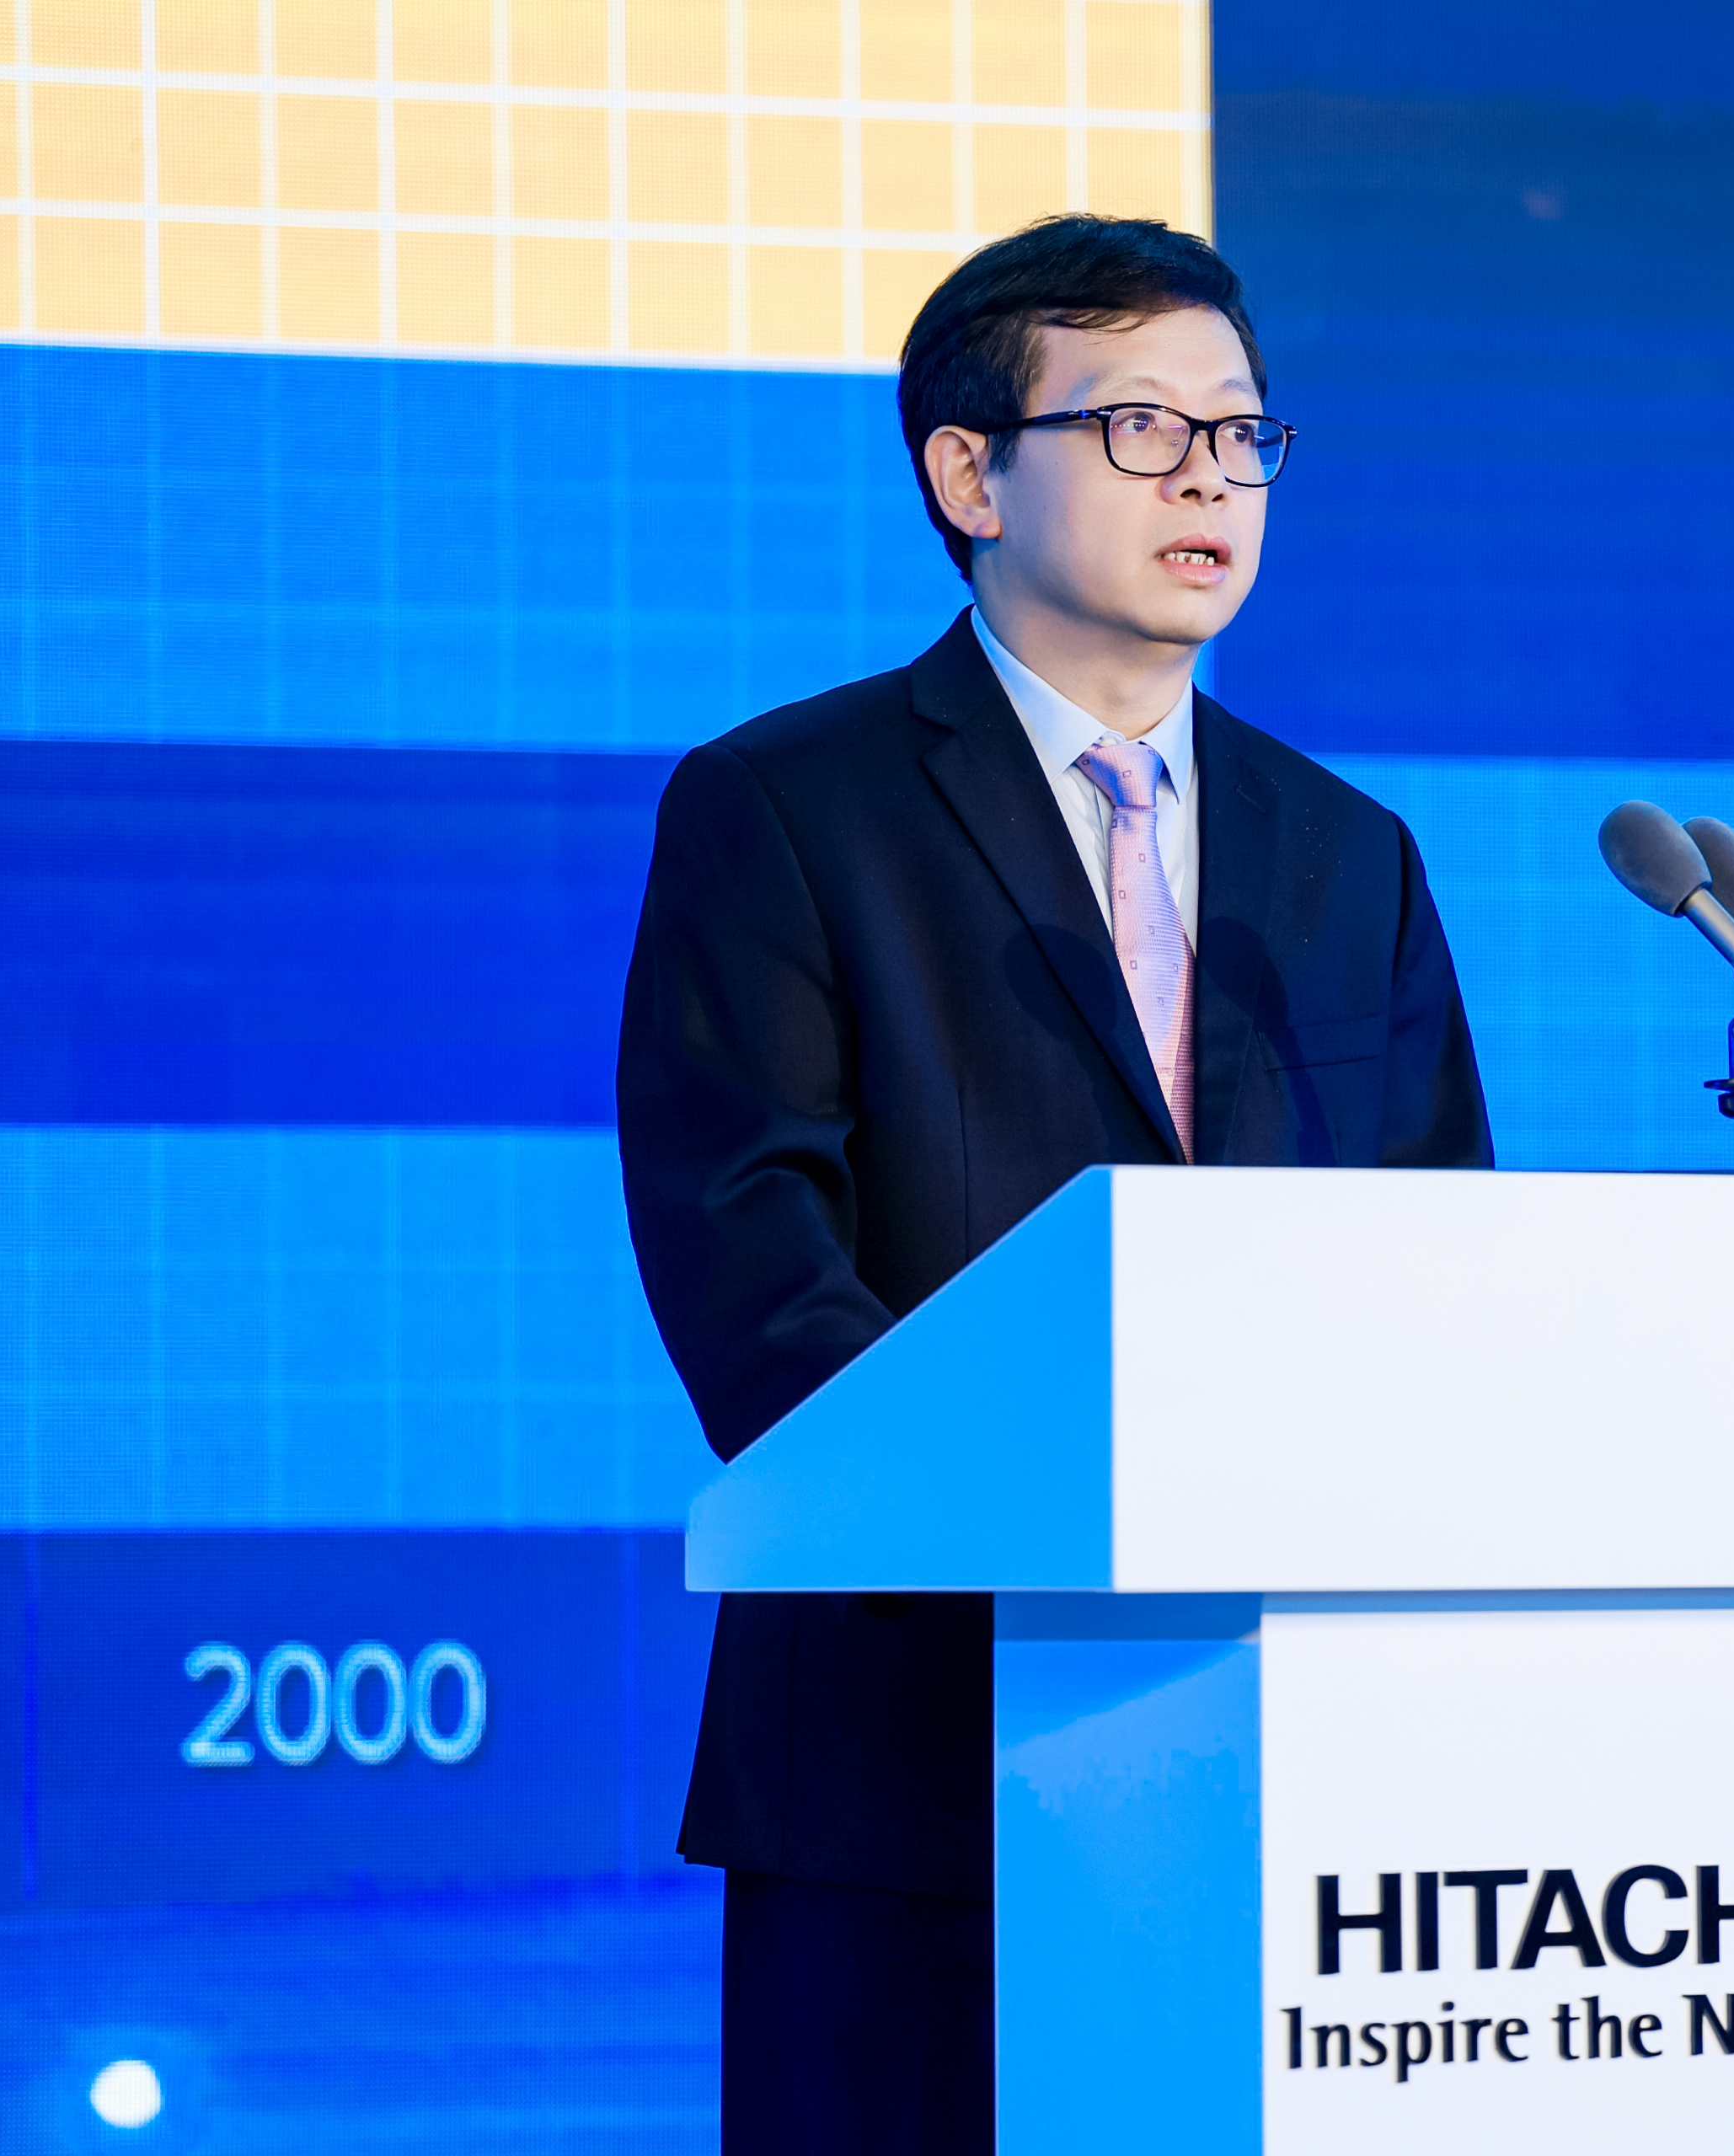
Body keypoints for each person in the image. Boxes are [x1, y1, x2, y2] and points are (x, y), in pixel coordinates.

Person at [614, 215, 1496, 2152]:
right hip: (910, 1737)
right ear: (968, 472)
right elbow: (748, 1246)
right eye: (1141, 427)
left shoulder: (1349, 851)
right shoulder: (789, 805)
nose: (1210, 478)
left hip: (1289, 1744)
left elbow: (1442, 1251)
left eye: (1243, 434)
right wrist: (1024, 1525)